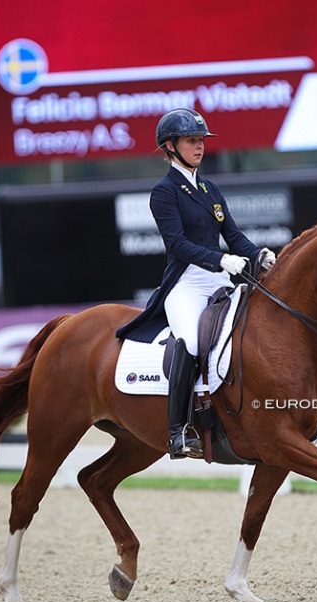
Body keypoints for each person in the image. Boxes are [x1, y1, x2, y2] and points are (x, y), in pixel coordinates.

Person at [116, 108, 275, 459]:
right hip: (186, 283)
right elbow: (176, 244)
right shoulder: (164, 192)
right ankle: (177, 431)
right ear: (170, 147)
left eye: (201, 140)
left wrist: (259, 254)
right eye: (191, 141)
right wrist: (221, 259)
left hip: (218, 279)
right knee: (189, 342)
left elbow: (233, 236)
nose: (199, 147)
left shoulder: (209, 188)